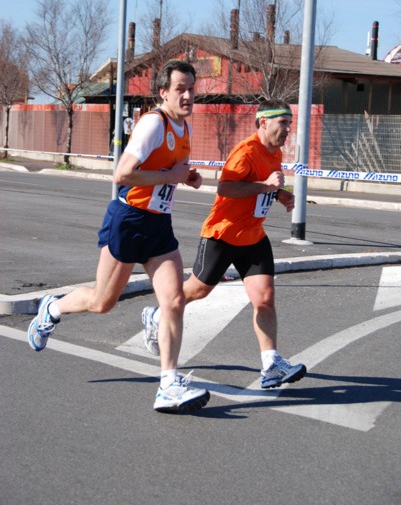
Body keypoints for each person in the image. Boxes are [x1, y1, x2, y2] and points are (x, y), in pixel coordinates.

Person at [27, 59, 210, 414]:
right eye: (180, 89)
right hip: (128, 220)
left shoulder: (183, 127)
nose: (188, 95)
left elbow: (164, 172)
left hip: (158, 225)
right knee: (102, 302)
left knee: (172, 301)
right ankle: (52, 307)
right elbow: (122, 175)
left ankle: (168, 384)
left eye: (191, 89)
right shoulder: (152, 124)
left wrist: (183, 177)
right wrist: (170, 175)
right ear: (163, 93)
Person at [142, 101, 307, 390]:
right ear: (262, 123)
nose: (288, 129)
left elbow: (262, 184)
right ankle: (156, 314)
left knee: (265, 299)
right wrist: (267, 186)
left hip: (253, 236)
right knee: (197, 291)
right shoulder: (245, 152)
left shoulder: (275, 152)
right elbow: (226, 187)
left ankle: (270, 364)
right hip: (223, 234)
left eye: (289, 123)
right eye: (282, 122)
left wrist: (278, 193)